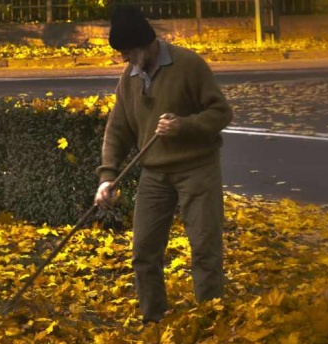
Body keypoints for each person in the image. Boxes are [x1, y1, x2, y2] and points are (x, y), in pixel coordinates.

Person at [94, 5, 233, 325]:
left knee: (204, 249)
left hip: (197, 168)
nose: (123, 58)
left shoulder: (189, 65)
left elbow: (221, 113)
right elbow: (118, 130)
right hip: (155, 173)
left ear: (145, 44)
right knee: (143, 251)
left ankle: (211, 323)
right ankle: (154, 320)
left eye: (127, 51)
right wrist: (107, 176)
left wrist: (183, 126)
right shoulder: (128, 78)